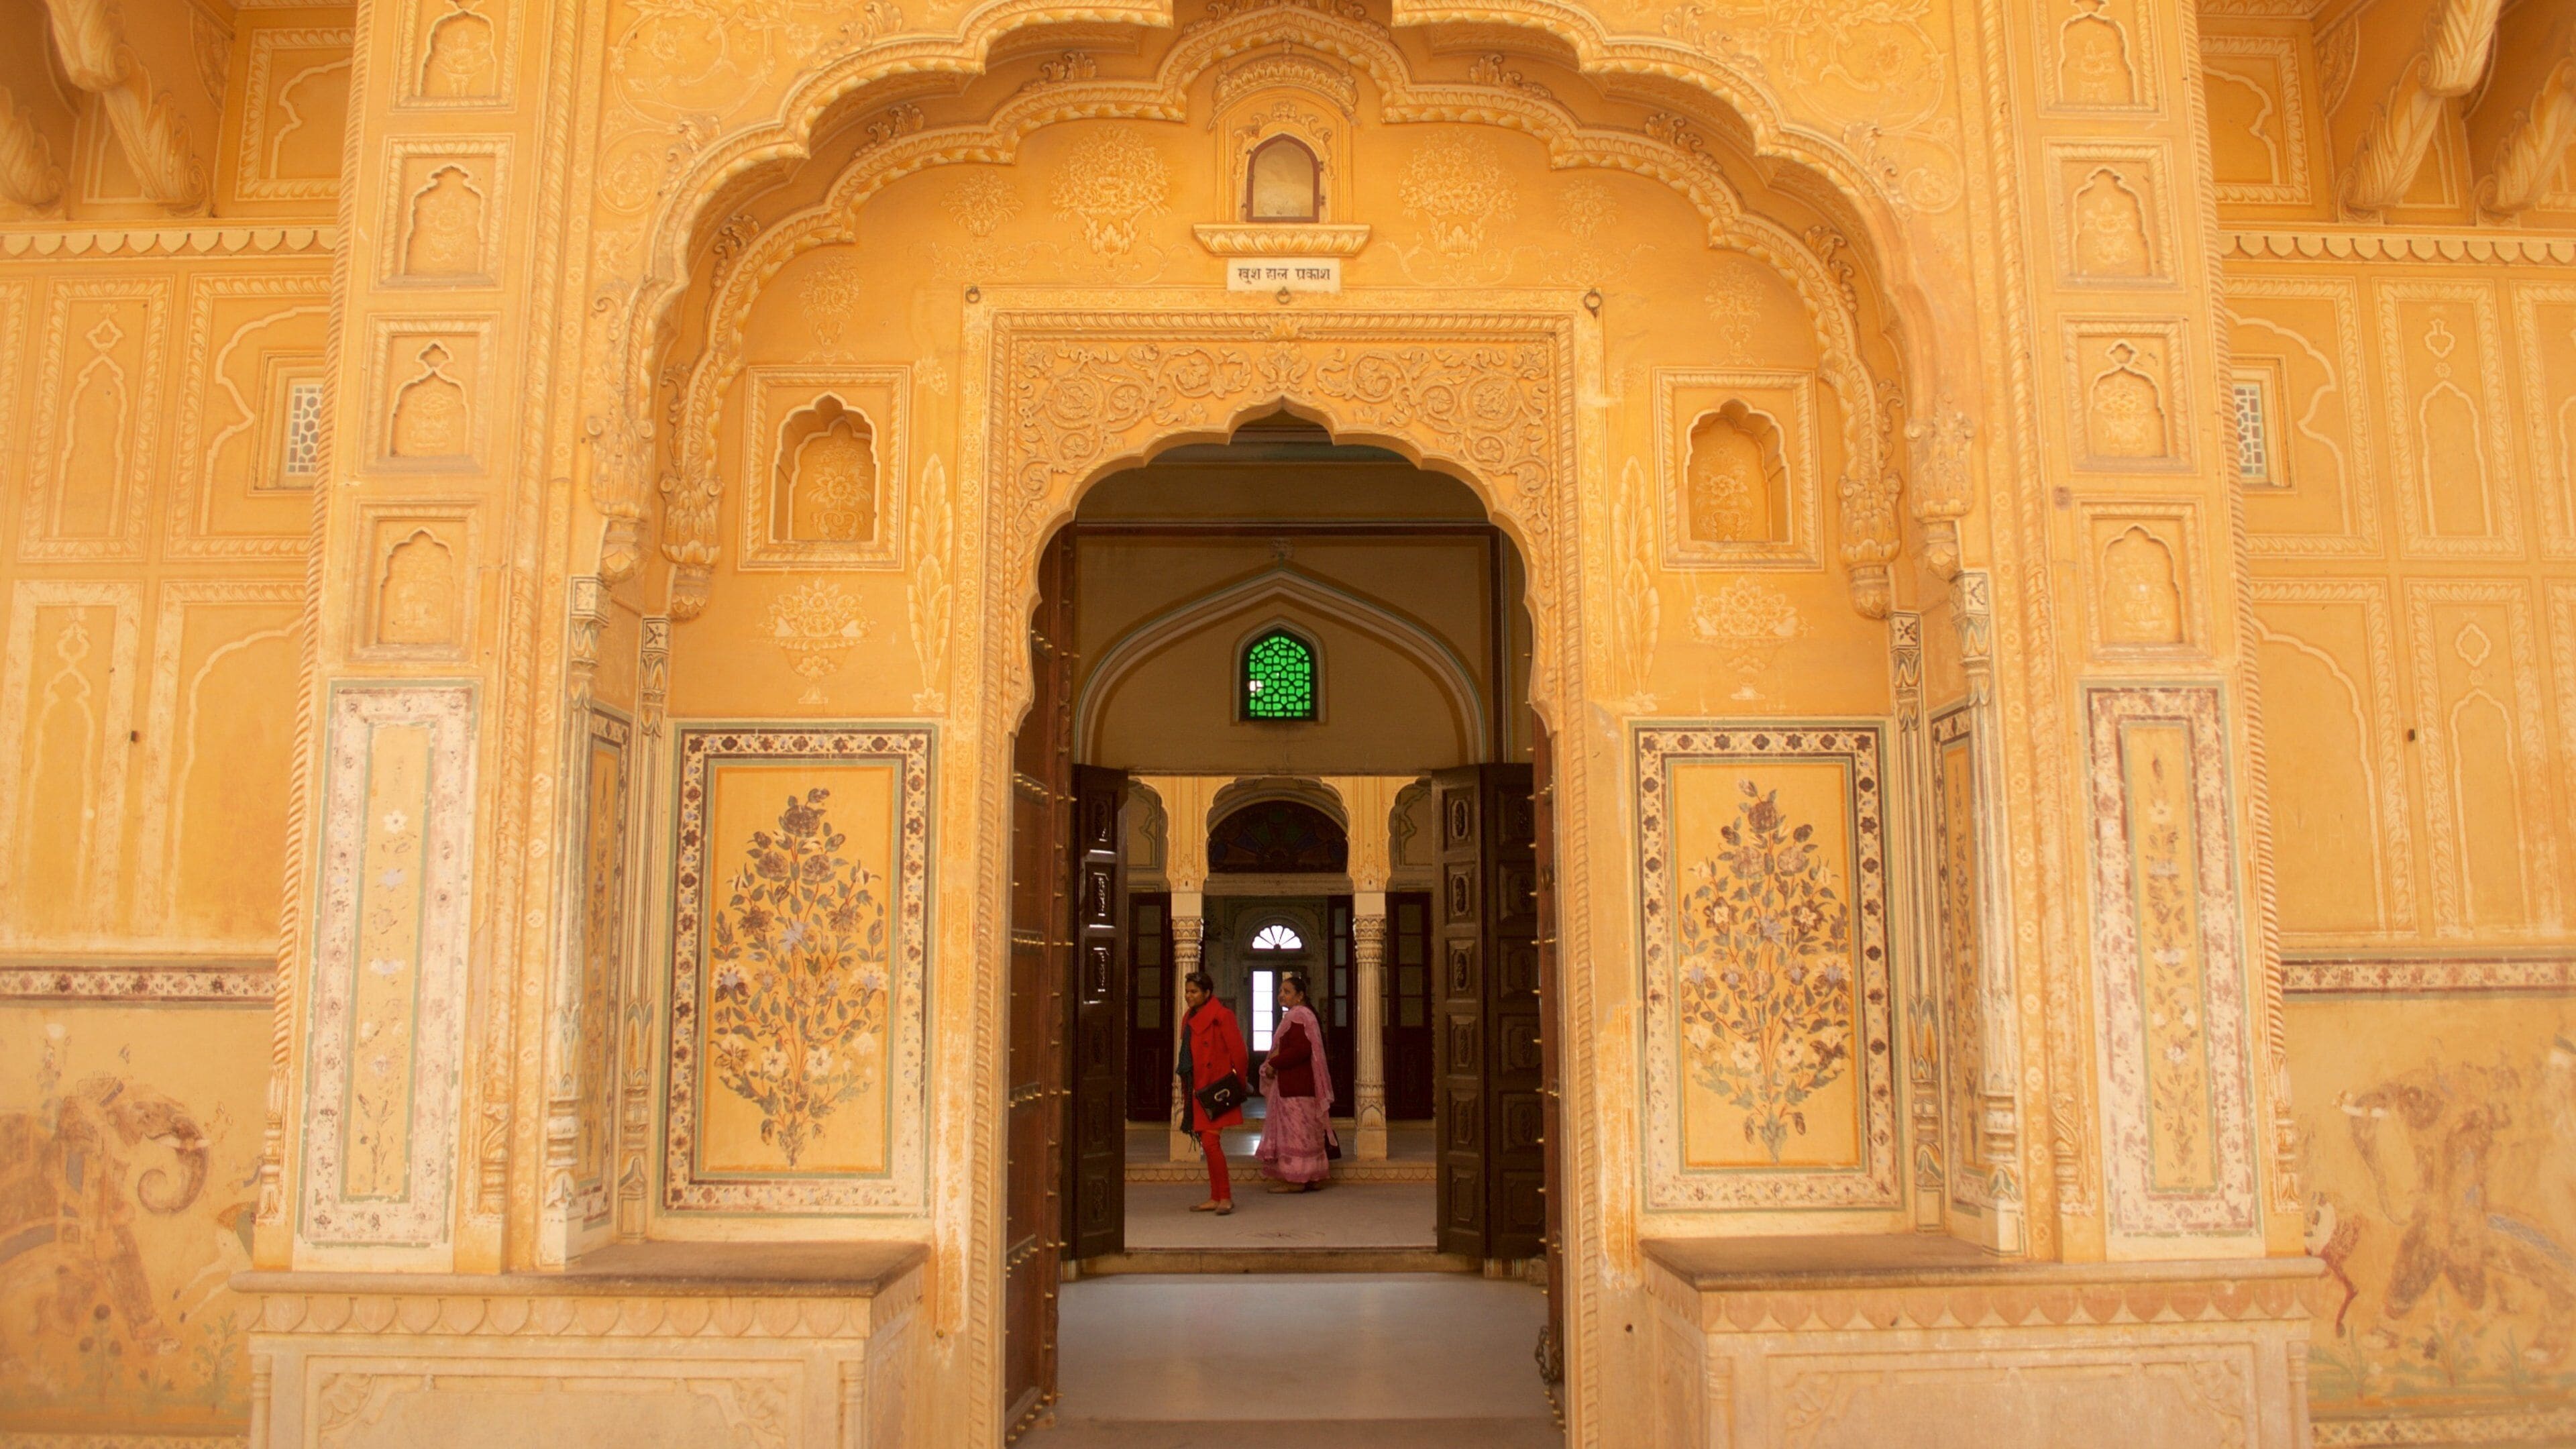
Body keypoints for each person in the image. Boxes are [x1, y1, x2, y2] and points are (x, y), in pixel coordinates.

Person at [1255, 971, 1335, 1192]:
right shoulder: (1305, 1015)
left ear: (1300, 996)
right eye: (1281, 991)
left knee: (1296, 1134)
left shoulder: (1299, 1016)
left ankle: (1295, 1181)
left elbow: (1300, 1050)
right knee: (1307, 1134)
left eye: (1287, 992)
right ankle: (1311, 1177)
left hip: (1296, 1085)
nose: (1282, 995)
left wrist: (1274, 1063)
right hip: (1300, 1084)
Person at [1177, 970, 1246, 1215]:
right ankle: (1216, 1197)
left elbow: (1239, 1052)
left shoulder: (1222, 1016)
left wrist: (1239, 1084)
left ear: (1207, 993)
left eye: (1194, 991)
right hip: (1197, 1088)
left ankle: (1225, 1196)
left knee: (1210, 1142)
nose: (1189, 996)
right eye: (1187, 991)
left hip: (1216, 1089)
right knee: (1208, 1144)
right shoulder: (1188, 1018)